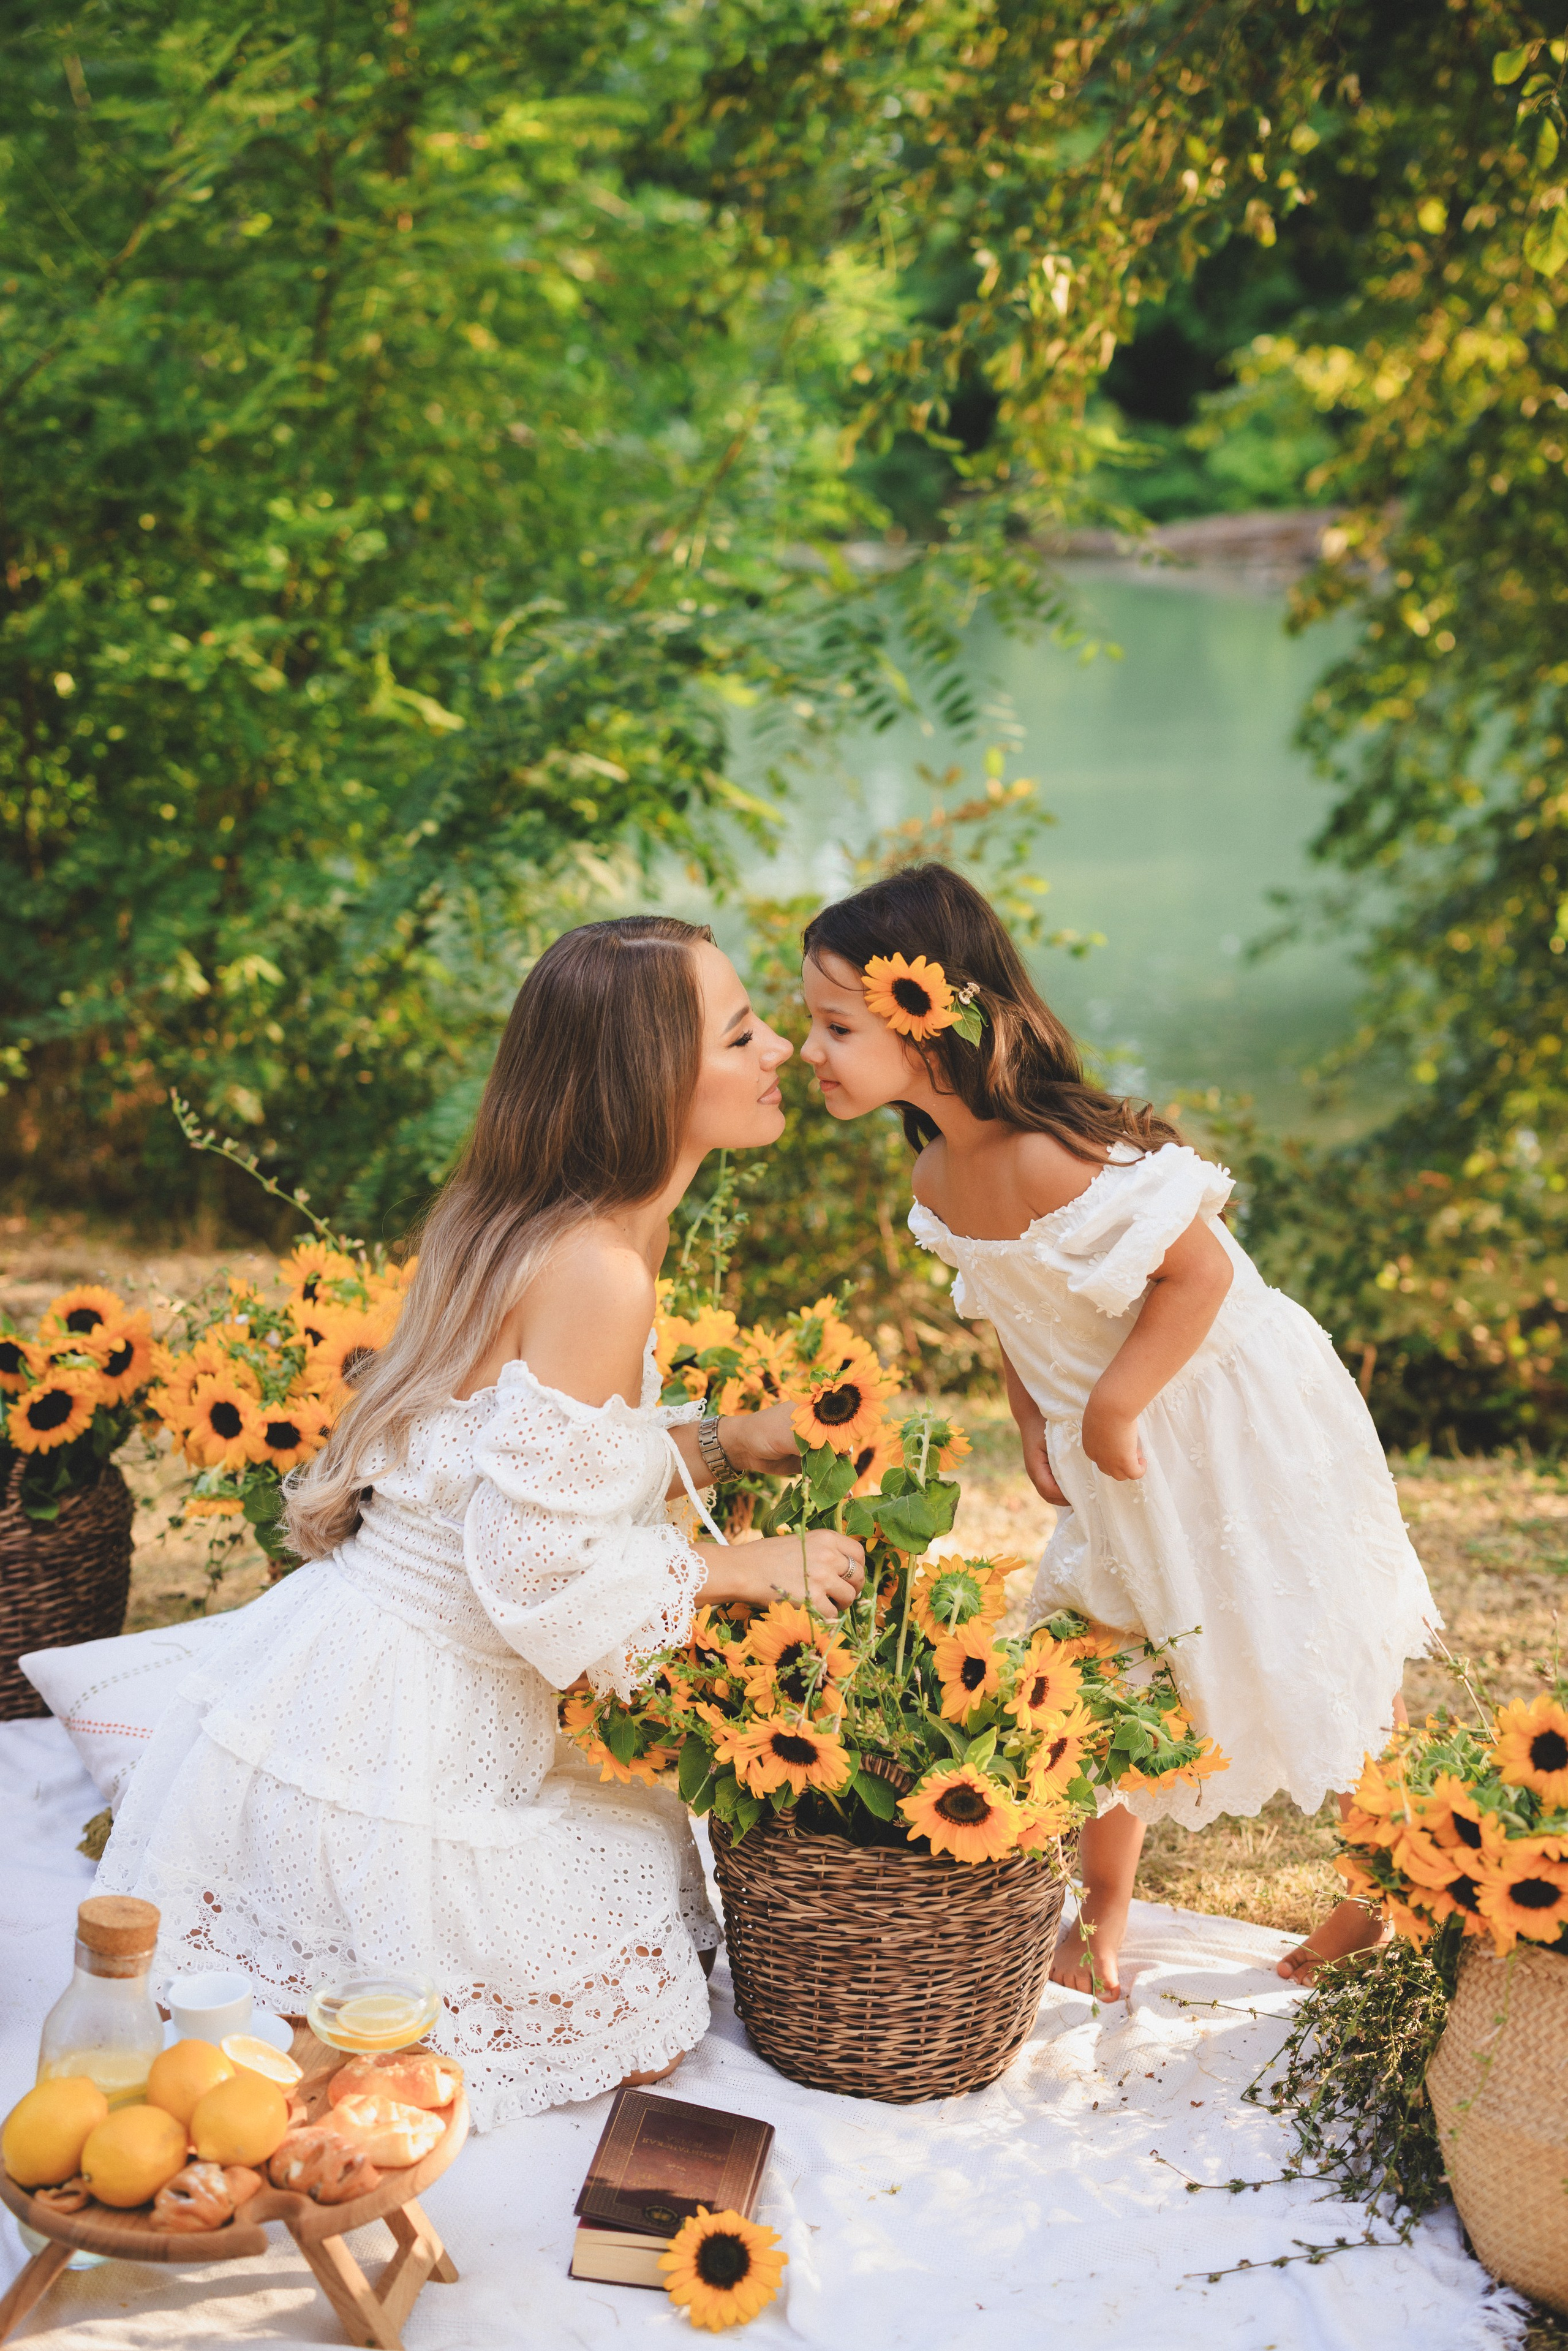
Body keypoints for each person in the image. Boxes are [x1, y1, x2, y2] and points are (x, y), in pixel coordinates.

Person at [99, 916, 865, 2128]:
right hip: (399, 1722)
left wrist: (719, 1440)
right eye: (741, 1031)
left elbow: (515, 1466)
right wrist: (743, 1564)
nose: (776, 1046)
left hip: (334, 1661)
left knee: (643, 1865)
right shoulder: (600, 1269)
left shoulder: (517, 1217)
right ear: (650, 1076)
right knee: (628, 1976)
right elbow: (530, 1561)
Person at [797, 863, 1437, 2000]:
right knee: (1093, 1660)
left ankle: (1377, 1881)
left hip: (1221, 1414)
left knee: (1306, 1625)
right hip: (1117, 1448)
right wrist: (1033, 1409)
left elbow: (1193, 1273)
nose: (812, 1052)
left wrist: (1108, 1404)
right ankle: (1104, 1907)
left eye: (836, 1025)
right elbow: (1006, 1295)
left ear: (925, 1021)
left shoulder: (1051, 1154)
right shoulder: (941, 1170)